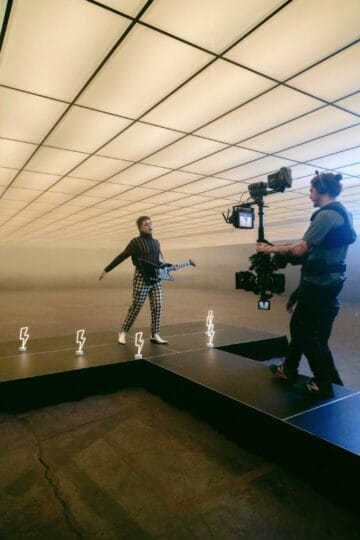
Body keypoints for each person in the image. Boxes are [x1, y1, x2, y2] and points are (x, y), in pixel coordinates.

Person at [257, 172, 356, 398]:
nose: (309, 195)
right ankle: (292, 369)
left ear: (321, 190)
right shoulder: (345, 213)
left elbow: (301, 249)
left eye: (311, 190)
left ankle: (322, 382)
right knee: (315, 335)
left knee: (301, 329)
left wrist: (269, 249)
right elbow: (319, 250)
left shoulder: (325, 215)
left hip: (318, 284)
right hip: (332, 283)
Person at [99, 216, 168, 345]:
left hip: (156, 278)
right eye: (147, 224)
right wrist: (106, 270)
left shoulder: (156, 242)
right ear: (140, 227)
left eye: (151, 223)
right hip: (141, 277)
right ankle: (123, 332)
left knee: (158, 305)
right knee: (136, 306)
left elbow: (159, 260)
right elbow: (122, 256)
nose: (150, 226)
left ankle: (155, 334)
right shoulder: (135, 242)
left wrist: (164, 267)